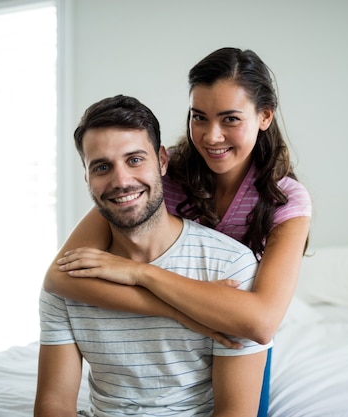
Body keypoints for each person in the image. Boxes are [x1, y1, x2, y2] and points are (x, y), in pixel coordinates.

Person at [43, 47, 312, 416]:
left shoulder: (285, 200)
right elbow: (60, 279)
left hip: (235, 332)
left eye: (230, 119)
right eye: (198, 117)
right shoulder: (155, 174)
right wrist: (177, 314)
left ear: (264, 116)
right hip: (178, 332)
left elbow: (261, 322)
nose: (212, 136)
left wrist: (140, 273)